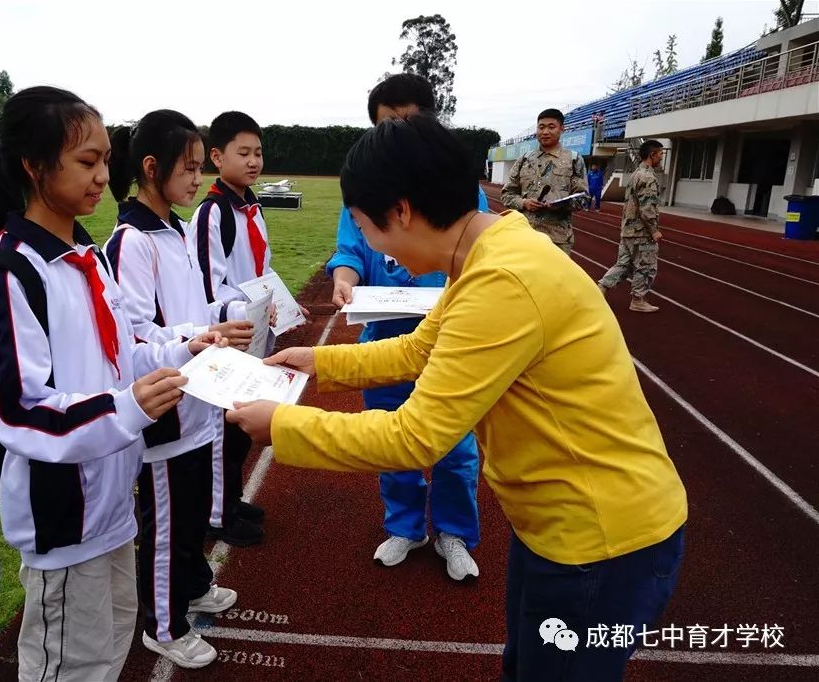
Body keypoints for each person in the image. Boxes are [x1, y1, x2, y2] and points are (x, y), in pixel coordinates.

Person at [227, 115, 687, 681]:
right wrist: (320, 361)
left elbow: (415, 436)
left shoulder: (503, 280)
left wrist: (284, 427)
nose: (367, 244)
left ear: (401, 211)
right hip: (562, 527)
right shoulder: (491, 253)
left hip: (601, 542)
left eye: (365, 227)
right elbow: (418, 350)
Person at [0, 87, 215, 680]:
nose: (104, 176)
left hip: (111, 505)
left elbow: (119, 351)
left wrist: (181, 348)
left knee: (107, 653)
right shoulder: (11, 279)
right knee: (67, 667)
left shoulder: (87, 257)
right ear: (33, 165)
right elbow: (18, 412)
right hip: (65, 520)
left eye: (106, 159)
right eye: (86, 162)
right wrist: (125, 409)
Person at [105, 110, 247, 669]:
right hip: (165, 403)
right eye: (187, 168)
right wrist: (199, 334)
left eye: (197, 167)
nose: (195, 178)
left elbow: (192, 310)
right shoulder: (132, 241)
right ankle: (161, 625)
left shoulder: (176, 230)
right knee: (164, 520)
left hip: (197, 396)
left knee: (189, 512)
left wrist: (229, 315)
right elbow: (135, 332)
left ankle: (190, 585)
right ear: (150, 168)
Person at [328, 73, 483, 581]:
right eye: (386, 123)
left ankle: (455, 531)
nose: (396, 132)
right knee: (388, 436)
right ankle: (406, 525)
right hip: (384, 333)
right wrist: (346, 279)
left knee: (455, 443)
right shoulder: (366, 185)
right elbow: (350, 249)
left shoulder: (460, 190)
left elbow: (476, 253)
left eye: (406, 120)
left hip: (447, 337)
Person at [187, 111, 278, 547]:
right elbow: (208, 288)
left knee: (242, 426)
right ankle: (217, 516)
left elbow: (261, 270)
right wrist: (243, 308)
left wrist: (276, 304)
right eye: (243, 153)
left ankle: (232, 499)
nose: (253, 160)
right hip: (229, 337)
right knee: (223, 427)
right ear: (218, 157)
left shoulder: (252, 208)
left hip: (254, 332)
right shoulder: (213, 213)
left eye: (258, 152)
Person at [500, 108, 589, 253]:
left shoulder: (573, 160)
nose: (545, 132)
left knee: (555, 276)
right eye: (541, 127)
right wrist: (524, 203)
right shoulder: (524, 159)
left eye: (551, 127)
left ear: (562, 129)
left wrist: (559, 205)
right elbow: (506, 194)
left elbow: (583, 199)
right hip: (524, 236)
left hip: (556, 241)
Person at [598, 140, 664, 313]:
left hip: (627, 229)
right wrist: (654, 230)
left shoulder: (635, 174)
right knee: (645, 266)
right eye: (660, 154)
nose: (661, 158)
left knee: (623, 264)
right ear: (652, 155)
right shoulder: (648, 178)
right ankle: (638, 299)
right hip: (641, 232)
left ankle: (601, 289)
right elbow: (647, 208)